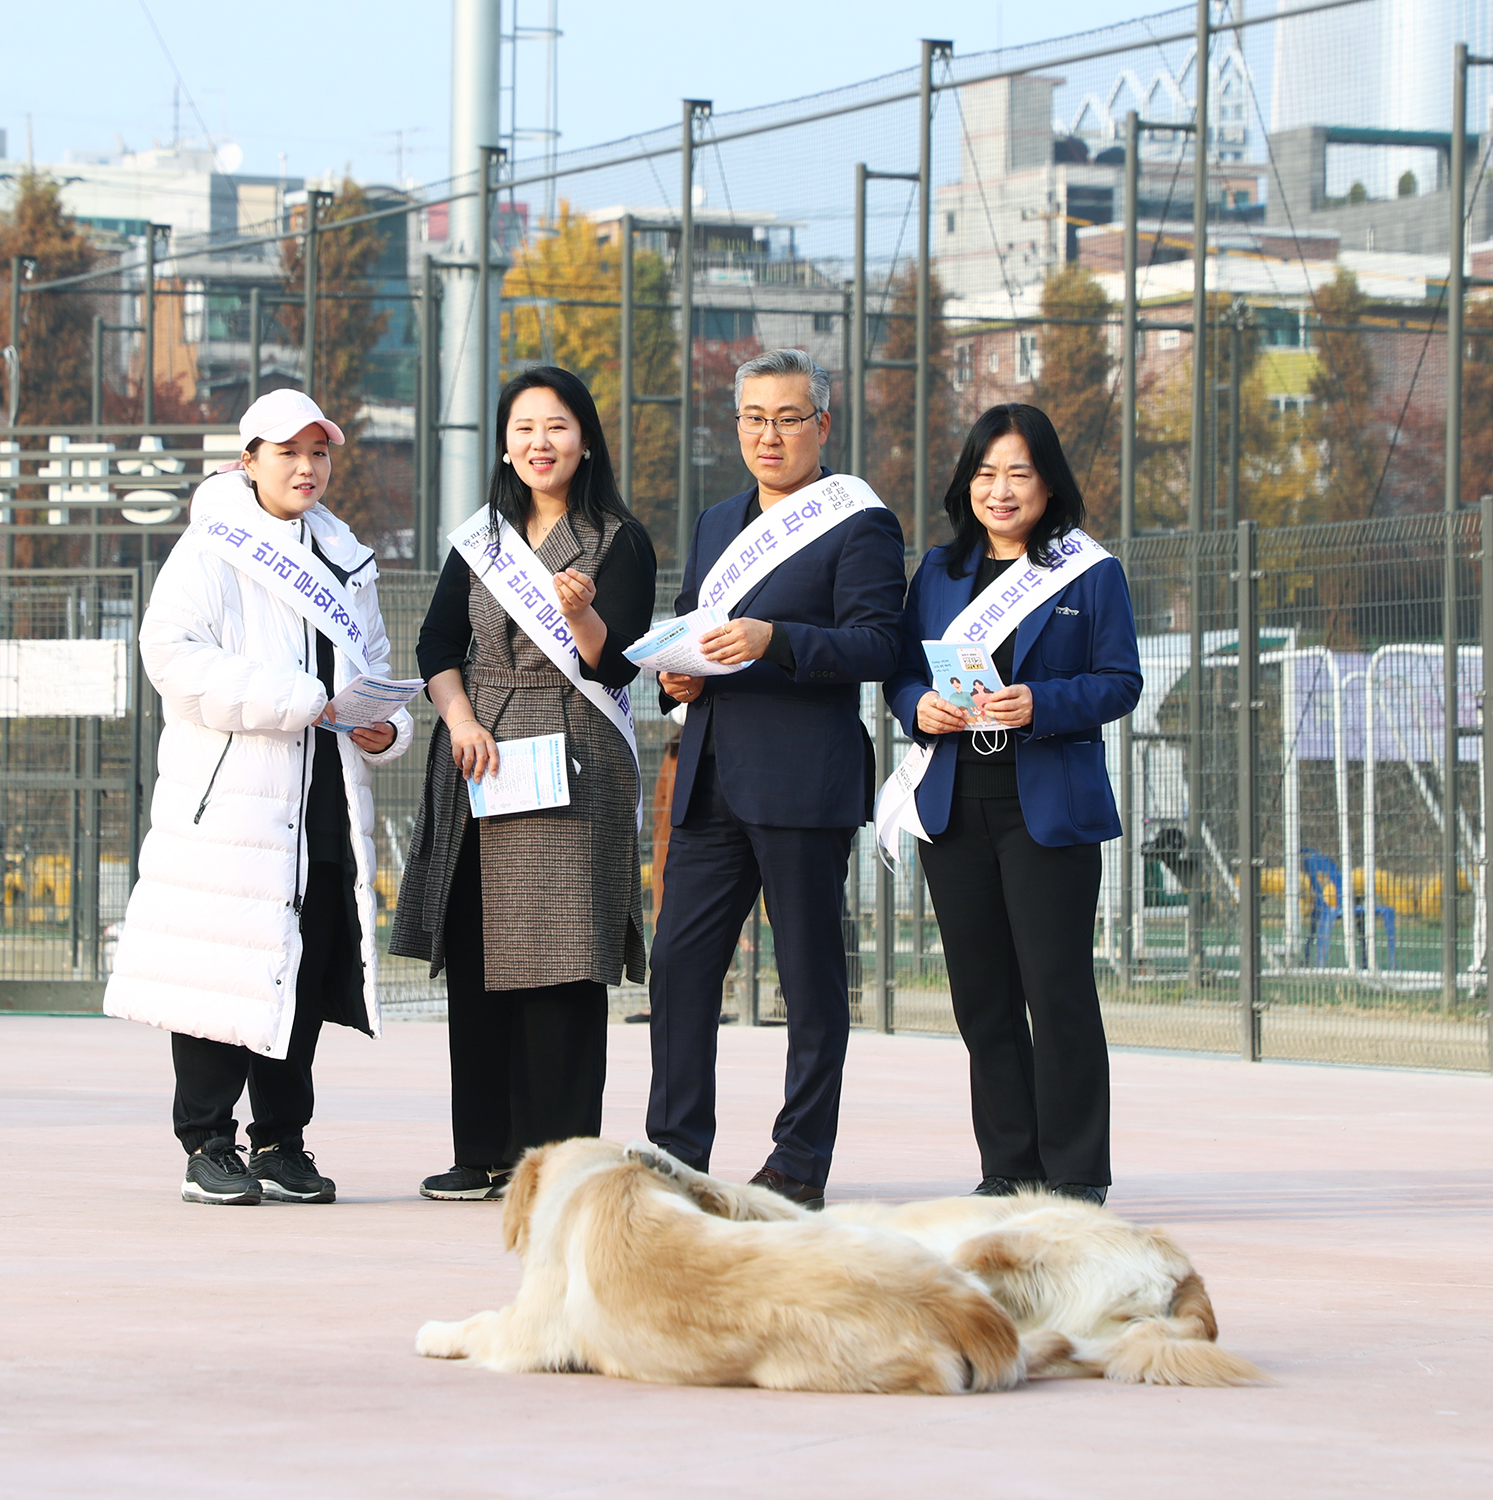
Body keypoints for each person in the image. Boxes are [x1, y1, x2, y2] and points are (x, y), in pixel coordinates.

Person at [105, 388, 412, 1206]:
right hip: (232, 797)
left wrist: (386, 729)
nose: (307, 468)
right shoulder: (210, 547)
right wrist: (299, 698)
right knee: (220, 965)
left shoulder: (347, 556)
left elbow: (374, 668)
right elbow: (169, 655)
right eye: (288, 452)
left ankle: (281, 1140)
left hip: (323, 793)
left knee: (302, 968)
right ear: (248, 461)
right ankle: (206, 1143)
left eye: (319, 453)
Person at [647, 347, 906, 1211]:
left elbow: (878, 645)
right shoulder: (717, 522)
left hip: (802, 782)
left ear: (822, 426)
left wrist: (775, 640)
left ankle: (799, 1162)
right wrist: (675, 677)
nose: (770, 435)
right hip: (711, 773)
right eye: (755, 418)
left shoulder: (858, 521)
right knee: (680, 967)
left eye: (789, 418)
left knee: (809, 979)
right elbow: (690, 628)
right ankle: (675, 1153)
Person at [393, 366, 657, 1201]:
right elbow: (437, 645)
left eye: (557, 427)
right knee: (476, 958)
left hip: (571, 754)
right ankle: (480, 1153)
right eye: (523, 428)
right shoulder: (481, 539)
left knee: (561, 961)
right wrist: (461, 719)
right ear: (505, 444)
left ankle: (558, 1160)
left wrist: (579, 612)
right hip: (482, 754)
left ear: (585, 441)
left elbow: (615, 660)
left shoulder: (619, 538)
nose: (539, 443)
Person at [882, 403, 1140, 1203]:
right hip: (954, 807)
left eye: (1019, 474)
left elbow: (1120, 682)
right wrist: (915, 705)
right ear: (967, 483)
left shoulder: (1088, 572)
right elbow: (898, 671)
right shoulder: (938, 571)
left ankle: (1075, 1173)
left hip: (1046, 811)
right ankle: (1009, 1163)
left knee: (1055, 990)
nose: (1001, 490)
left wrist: (1045, 702)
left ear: (1048, 483)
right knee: (982, 996)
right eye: (986, 473)